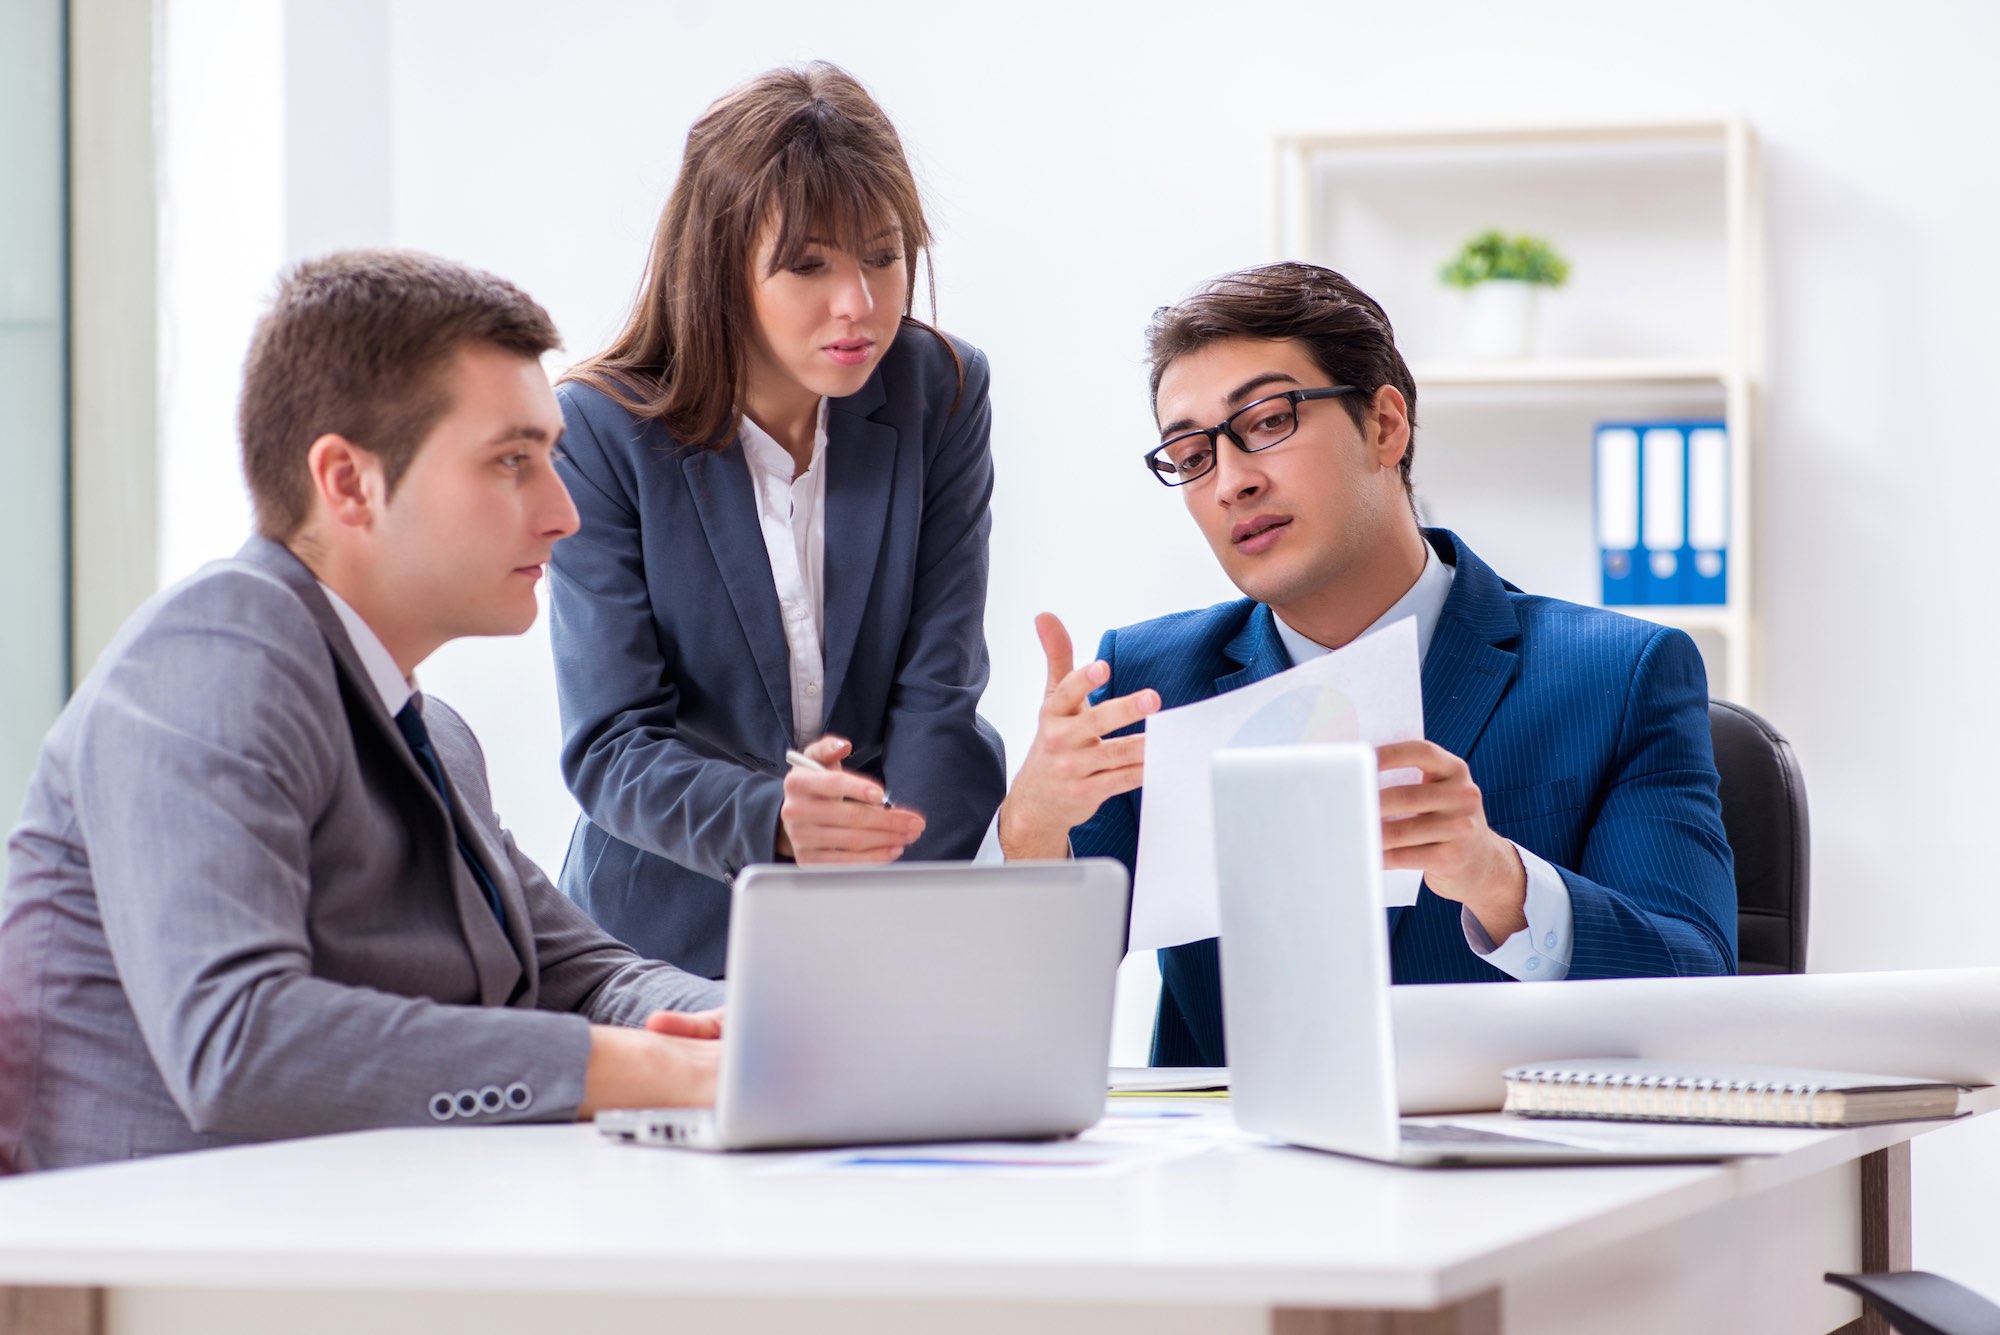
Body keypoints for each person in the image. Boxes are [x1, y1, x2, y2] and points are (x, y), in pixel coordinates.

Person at [0, 250, 724, 1174]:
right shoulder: (211, 653)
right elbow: (237, 1038)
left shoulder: (436, 734)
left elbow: (584, 973)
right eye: (513, 461)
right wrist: (628, 1067)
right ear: (346, 482)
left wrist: (736, 1026)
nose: (564, 513)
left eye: (552, 458)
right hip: (160, 1277)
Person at [997, 262, 1737, 1066]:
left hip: (1501, 1172)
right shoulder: (1149, 681)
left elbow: (1698, 995)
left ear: (1386, 424)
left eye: (1269, 420)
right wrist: (1032, 827)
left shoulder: (1619, 675)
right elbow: (1013, 1013)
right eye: (1192, 453)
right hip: (1224, 1176)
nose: (1233, 481)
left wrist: (1498, 879)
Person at [550, 63, 1005, 975]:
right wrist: (779, 823)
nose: (861, 305)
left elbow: (936, 693)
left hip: (893, 905)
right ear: (721, 267)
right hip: (662, 942)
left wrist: (901, 916)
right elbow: (612, 743)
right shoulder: (600, 429)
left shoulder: (940, 390)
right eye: (808, 264)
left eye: (883, 255)